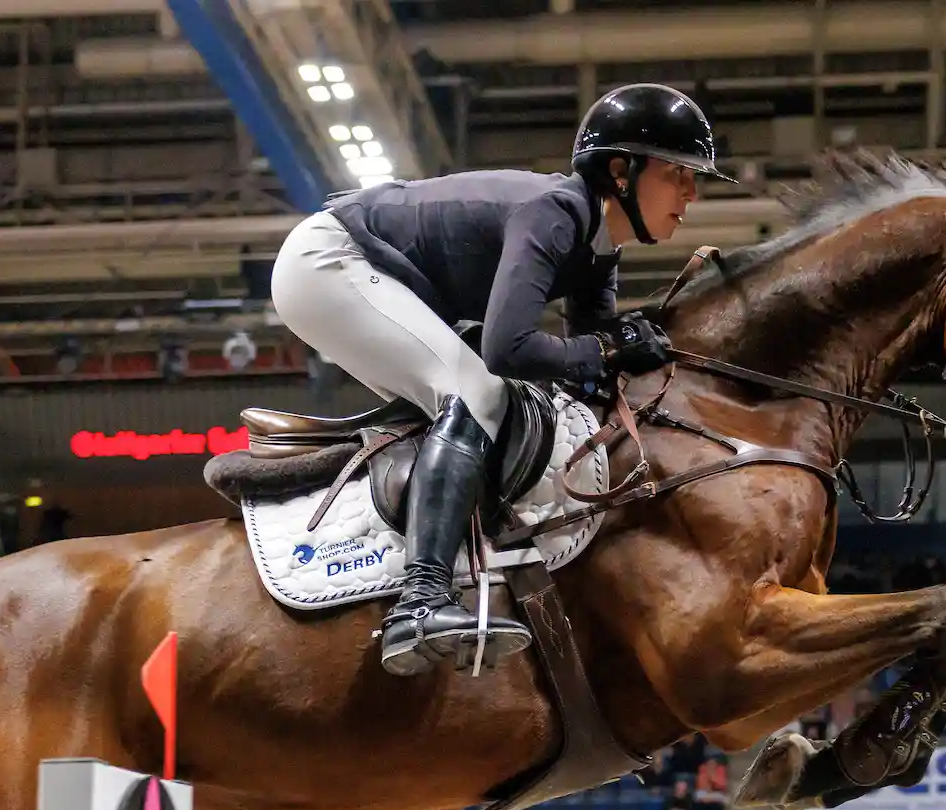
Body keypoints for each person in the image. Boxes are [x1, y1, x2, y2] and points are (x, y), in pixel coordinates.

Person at [271, 83, 726, 676]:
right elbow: (509, 346)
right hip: (331, 261)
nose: (691, 194)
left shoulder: (597, 246)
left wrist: (633, 348)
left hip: (364, 274)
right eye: (677, 174)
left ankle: (413, 574)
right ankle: (421, 601)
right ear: (620, 171)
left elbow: (588, 362)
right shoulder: (556, 212)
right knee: (474, 394)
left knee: (477, 406)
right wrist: (607, 347)